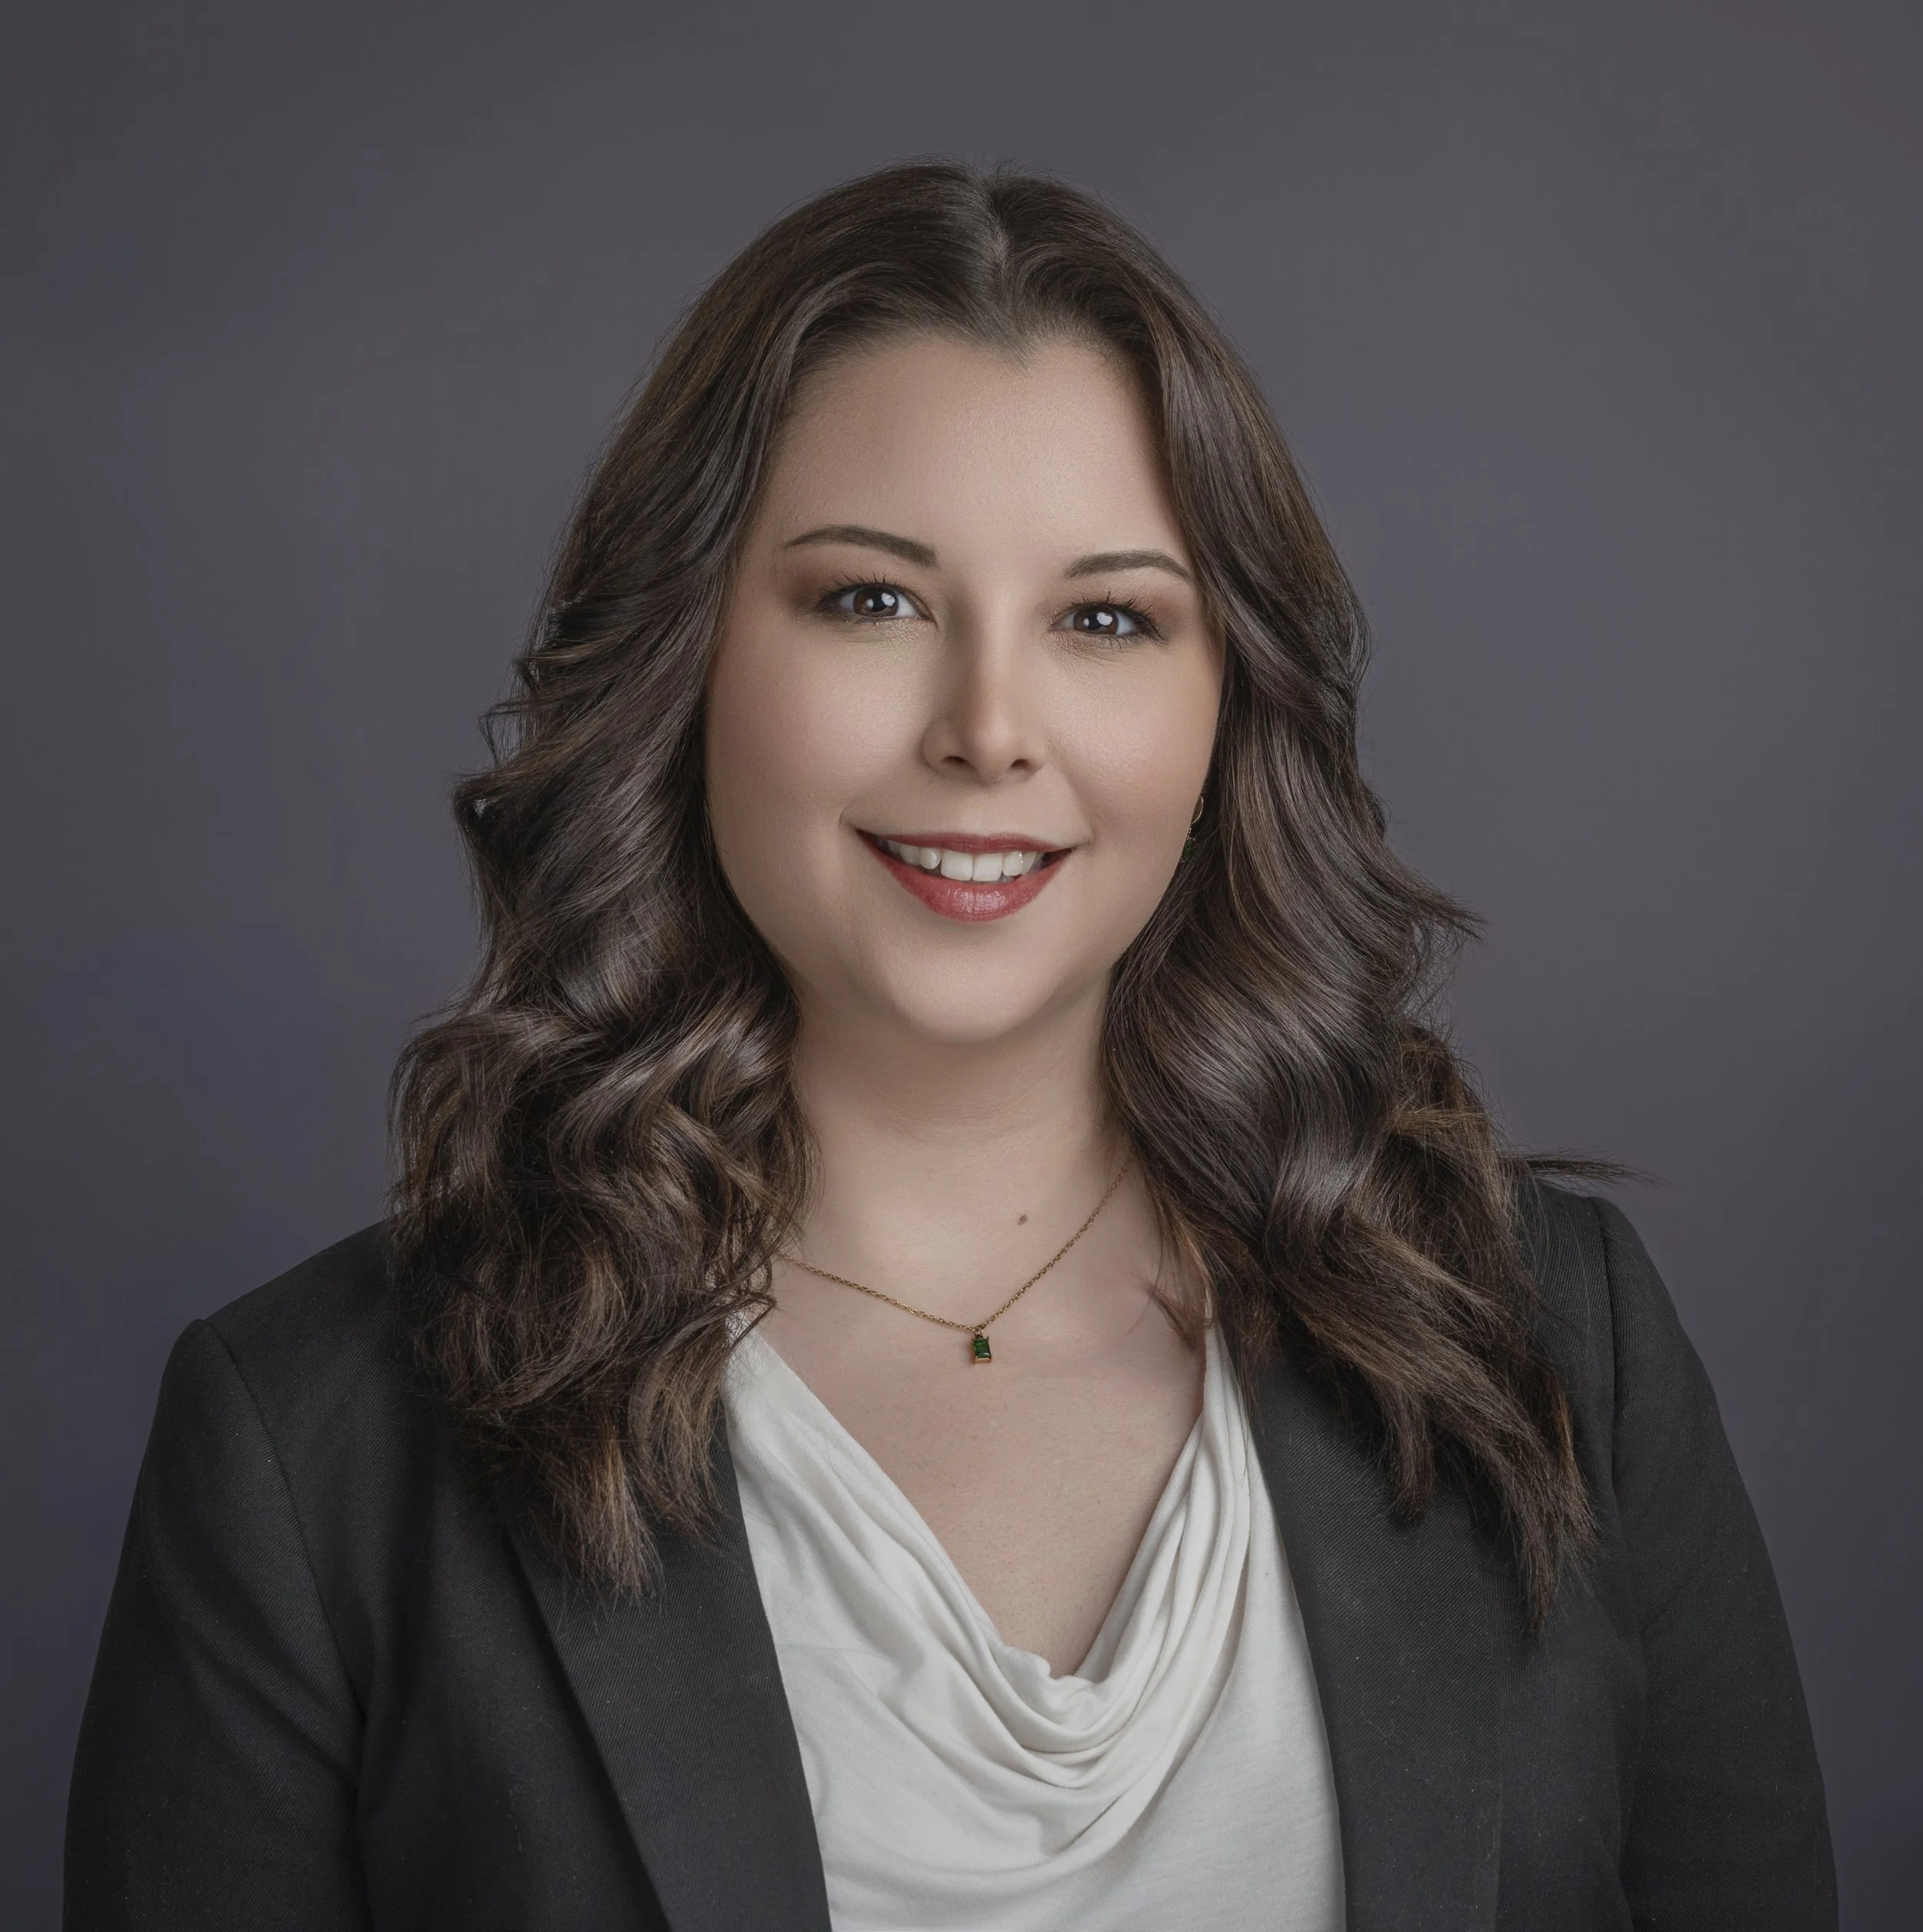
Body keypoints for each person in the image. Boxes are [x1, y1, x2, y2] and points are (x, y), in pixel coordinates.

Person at [64, 161, 1835, 1930]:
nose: (988, 729)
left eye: (1103, 617)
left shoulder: (1550, 1343)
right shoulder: (311, 1449)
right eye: (871, 600)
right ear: (682, 655)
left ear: (1228, 703)